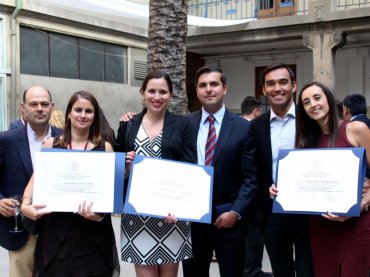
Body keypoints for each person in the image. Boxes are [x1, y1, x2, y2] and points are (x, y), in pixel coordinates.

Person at [20, 91, 119, 276]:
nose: (83, 115)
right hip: (56, 234)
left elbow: (110, 196)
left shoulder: (105, 148)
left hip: (93, 235)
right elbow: (36, 178)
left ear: (95, 116)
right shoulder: (51, 144)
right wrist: (25, 206)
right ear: (69, 113)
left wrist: (97, 216)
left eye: (89, 111)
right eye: (78, 110)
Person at [115, 71, 197, 277]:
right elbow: (115, 164)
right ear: (143, 92)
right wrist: (124, 164)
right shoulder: (128, 124)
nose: (157, 97)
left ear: (170, 95)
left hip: (172, 215)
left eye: (163, 91)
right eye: (151, 91)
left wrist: (179, 207)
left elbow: (189, 166)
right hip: (137, 215)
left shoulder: (182, 124)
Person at [182, 66, 258, 277]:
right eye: (203, 85)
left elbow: (251, 177)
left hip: (229, 218)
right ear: (197, 91)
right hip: (192, 219)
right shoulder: (184, 124)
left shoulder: (243, 127)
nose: (208, 89)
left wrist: (236, 212)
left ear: (224, 89)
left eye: (214, 84)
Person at [292, 81, 370, 276]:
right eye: (306, 102)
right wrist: (279, 188)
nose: (313, 104)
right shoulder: (305, 141)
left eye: (317, 97)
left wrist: (360, 205)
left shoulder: (356, 129)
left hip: (356, 224)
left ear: (328, 98)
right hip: (321, 226)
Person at [250, 63, 314, 277]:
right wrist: (265, 190)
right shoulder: (256, 126)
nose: (277, 88)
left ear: (294, 86)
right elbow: (253, 169)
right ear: (264, 90)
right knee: (281, 272)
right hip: (273, 213)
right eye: (271, 84)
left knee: (309, 271)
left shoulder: (311, 121)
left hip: (310, 213)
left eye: (283, 82)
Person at [0, 86, 62, 277]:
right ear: (23, 108)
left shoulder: (66, 138)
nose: (39, 108)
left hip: (60, 227)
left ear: (52, 107)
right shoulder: (6, 140)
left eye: (44, 104)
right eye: (33, 104)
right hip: (21, 228)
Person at [239, 96, 271, 277]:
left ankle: (251, 269)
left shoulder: (234, 125)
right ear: (257, 111)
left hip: (242, 193)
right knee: (253, 236)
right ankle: (252, 270)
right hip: (253, 193)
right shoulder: (255, 127)